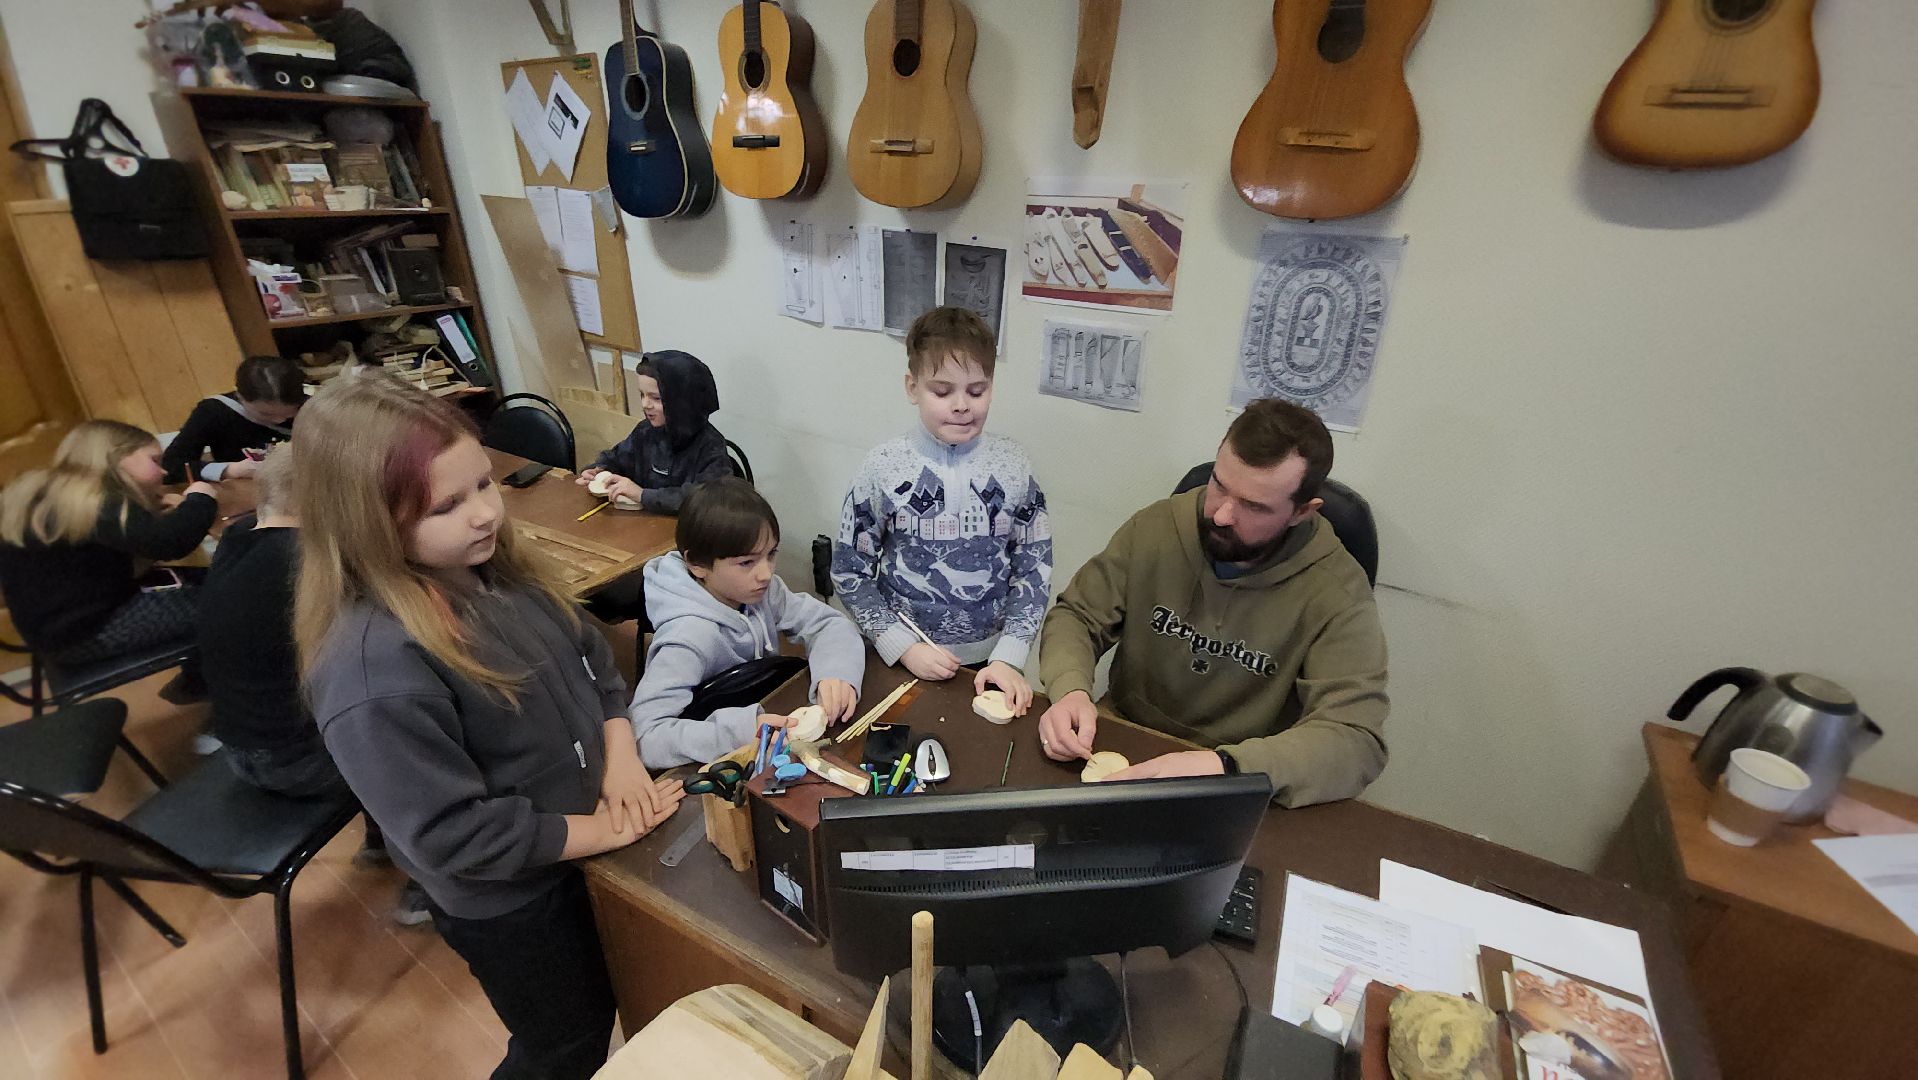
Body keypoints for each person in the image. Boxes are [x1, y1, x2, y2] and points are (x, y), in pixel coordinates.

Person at [296, 375, 683, 1079]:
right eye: (448, 504)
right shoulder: (370, 670)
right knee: (563, 1042)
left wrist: (621, 753)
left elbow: (591, 651)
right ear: (367, 523)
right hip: (516, 901)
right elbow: (454, 835)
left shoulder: (494, 568)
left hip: (583, 840)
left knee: (611, 1003)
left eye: (484, 484)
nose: (484, 515)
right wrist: (605, 829)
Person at [1035, 399, 1388, 807]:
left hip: (1236, 776)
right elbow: (1078, 616)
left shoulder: (1337, 591)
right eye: (1219, 485)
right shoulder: (1159, 525)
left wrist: (1226, 766)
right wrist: (1069, 691)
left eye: (1253, 506)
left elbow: (1357, 739)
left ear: (1301, 513)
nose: (1221, 515)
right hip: (1125, 736)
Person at [830, 307, 1052, 714]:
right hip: (901, 659)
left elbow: (1034, 567)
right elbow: (849, 571)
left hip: (990, 667)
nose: (961, 405)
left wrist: (1010, 656)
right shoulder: (882, 466)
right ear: (912, 388)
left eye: (976, 390)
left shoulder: (1015, 465)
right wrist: (901, 646)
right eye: (942, 390)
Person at [629, 478, 865, 767]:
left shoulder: (764, 593)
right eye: (746, 563)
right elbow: (645, 736)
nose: (765, 573)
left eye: (771, 555)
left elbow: (829, 624)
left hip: (769, 735)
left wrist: (836, 672)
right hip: (716, 766)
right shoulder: (687, 638)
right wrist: (739, 730)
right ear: (697, 564)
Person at [0, 420, 219, 701]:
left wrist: (156, 513)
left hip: (59, 627)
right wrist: (201, 498)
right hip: (87, 633)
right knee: (231, 600)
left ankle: (198, 682)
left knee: (219, 579)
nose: (163, 471)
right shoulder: (96, 498)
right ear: (117, 457)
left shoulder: (62, 491)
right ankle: (227, 695)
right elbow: (170, 542)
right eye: (155, 460)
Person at [575, 350, 733, 514]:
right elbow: (618, 458)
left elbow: (706, 499)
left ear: (682, 402)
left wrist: (642, 495)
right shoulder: (645, 432)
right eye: (642, 395)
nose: (645, 404)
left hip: (686, 532)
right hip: (645, 526)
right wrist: (599, 470)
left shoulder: (710, 446)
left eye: (656, 398)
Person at [163, 354, 305, 483]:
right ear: (240, 396)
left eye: (288, 413)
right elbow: (171, 466)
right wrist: (230, 470)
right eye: (265, 414)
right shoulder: (214, 411)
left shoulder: (312, 406)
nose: (278, 420)